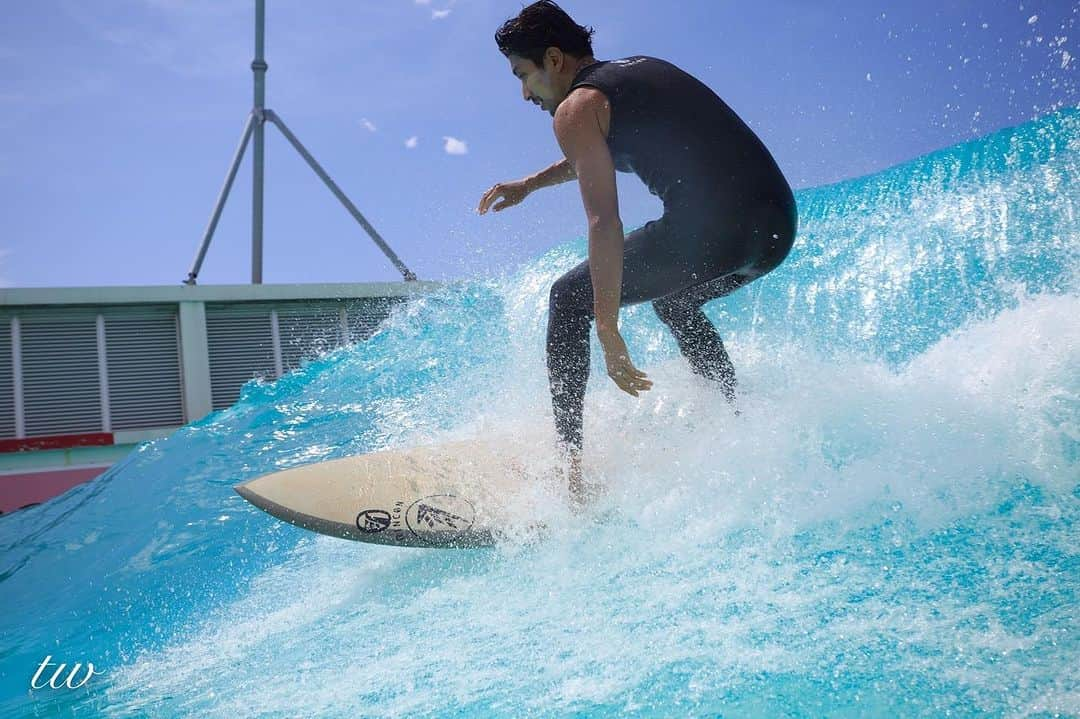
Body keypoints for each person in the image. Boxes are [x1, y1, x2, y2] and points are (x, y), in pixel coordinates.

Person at [477, 0, 798, 507]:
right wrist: (531, 184)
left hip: (712, 232)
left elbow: (605, 222)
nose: (524, 93)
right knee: (675, 301)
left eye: (524, 75)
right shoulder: (642, 72)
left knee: (567, 298)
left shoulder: (575, 110)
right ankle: (736, 416)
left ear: (554, 59)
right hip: (775, 228)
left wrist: (607, 326)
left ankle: (570, 474)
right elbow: (597, 153)